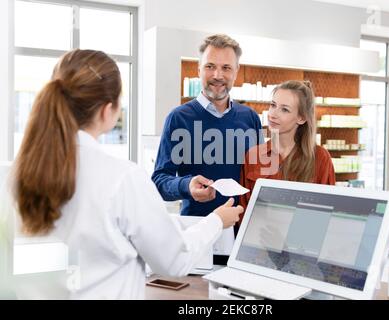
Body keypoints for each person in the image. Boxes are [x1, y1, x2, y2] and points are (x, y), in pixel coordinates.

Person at [10, 49, 243, 299]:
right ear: (107, 110)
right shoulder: (121, 178)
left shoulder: (20, 174)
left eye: (226, 67)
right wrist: (216, 220)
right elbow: (174, 261)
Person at [152, 34, 262, 217]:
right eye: (210, 66)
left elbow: (259, 175)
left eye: (226, 68)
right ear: (198, 70)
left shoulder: (250, 118)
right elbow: (159, 181)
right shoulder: (179, 118)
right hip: (199, 231)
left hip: (243, 228)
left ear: (236, 71)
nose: (217, 75)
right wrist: (186, 185)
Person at [240, 80, 335, 215]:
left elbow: (327, 212)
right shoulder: (254, 155)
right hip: (259, 235)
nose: (273, 114)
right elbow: (244, 209)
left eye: (284, 109)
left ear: (301, 118)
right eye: (273, 105)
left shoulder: (320, 158)